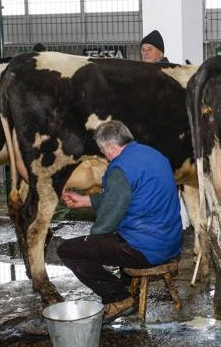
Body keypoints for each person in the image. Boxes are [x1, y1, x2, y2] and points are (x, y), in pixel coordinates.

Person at [57, 120, 182, 324]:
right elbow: (129, 196)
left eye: (102, 152)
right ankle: (126, 284)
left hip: (145, 250)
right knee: (119, 236)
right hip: (171, 243)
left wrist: (92, 243)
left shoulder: (120, 168)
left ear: (110, 147)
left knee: (68, 250)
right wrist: (86, 200)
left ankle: (118, 298)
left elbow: (108, 219)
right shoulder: (153, 155)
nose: (104, 157)